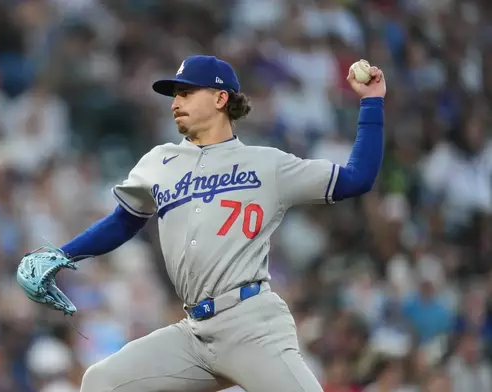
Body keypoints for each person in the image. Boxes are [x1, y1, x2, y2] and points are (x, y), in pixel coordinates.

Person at [53, 55, 385, 391]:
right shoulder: (158, 162)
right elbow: (123, 222)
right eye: (175, 95)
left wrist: (371, 103)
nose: (175, 103)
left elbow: (357, 179)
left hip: (251, 325)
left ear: (220, 98)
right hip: (194, 333)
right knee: (102, 382)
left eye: (186, 93)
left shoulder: (265, 164)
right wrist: (61, 255)